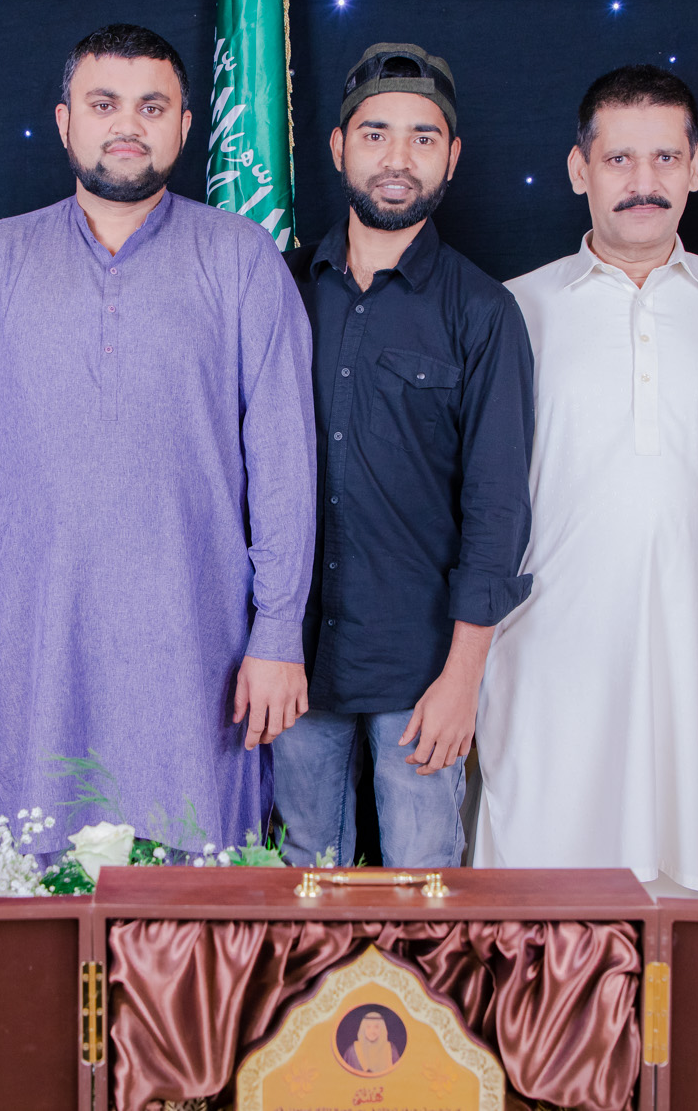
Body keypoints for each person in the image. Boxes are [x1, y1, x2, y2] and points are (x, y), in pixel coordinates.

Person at [0, 23, 315, 853]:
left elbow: (284, 462)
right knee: (37, 877)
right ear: (64, 121)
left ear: (186, 125)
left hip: (199, 649)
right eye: (104, 104)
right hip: (31, 645)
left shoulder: (241, 259)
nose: (127, 125)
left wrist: (279, 630)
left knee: (197, 883)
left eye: (152, 106)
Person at [474, 65, 698, 897]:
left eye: (665, 158)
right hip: (547, 655)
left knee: (687, 876)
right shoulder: (515, 309)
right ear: (580, 169)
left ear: (697, 166)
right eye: (619, 160)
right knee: (541, 878)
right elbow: (481, 498)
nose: (644, 182)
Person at [276, 43, 533, 869]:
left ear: (452, 156)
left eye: (423, 138)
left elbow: (497, 508)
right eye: (376, 133)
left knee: (425, 881)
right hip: (292, 657)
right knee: (300, 869)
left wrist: (463, 677)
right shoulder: (278, 291)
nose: (398, 158)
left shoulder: (483, 312)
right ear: (338, 146)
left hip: (422, 667)